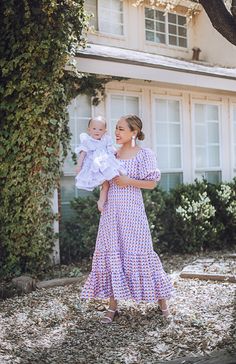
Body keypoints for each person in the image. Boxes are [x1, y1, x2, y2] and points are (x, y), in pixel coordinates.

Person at [81, 114, 173, 323]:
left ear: (134, 132)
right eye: (116, 128)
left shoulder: (144, 154)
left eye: (121, 129)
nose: (116, 132)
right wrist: (101, 198)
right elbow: (105, 180)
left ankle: (163, 303)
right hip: (111, 213)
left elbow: (151, 183)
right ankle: (112, 307)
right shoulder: (111, 153)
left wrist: (127, 180)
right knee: (114, 255)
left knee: (143, 253)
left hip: (132, 213)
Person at [75, 116, 126, 212]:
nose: (97, 131)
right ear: (89, 130)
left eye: (100, 129)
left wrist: (118, 152)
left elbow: (112, 150)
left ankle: (124, 184)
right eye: (94, 129)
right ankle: (101, 201)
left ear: (105, 131)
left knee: (115, 174)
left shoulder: (106, 140)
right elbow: (83, 154)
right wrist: (79, 165)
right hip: (94, 166)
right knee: (105, 185)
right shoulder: (87, 141)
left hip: (105, 163)